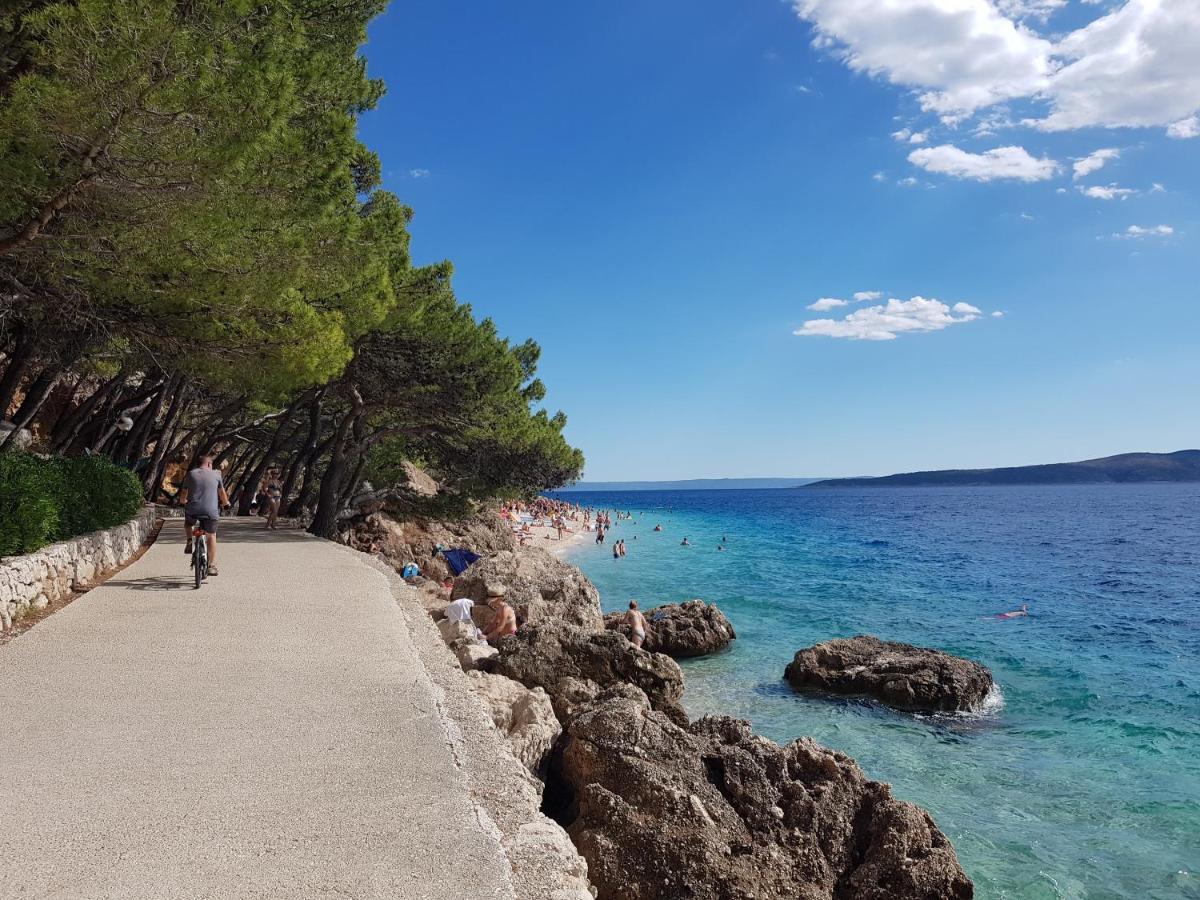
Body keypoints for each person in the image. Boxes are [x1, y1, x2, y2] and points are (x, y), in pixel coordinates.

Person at [178, 454, 229, 576]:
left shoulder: (191, 474)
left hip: (193, 509)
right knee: (211, 535)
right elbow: (222, 493)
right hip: (210, 511)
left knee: (188, 524)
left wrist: (182, 501)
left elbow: (184, 492)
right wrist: (226, 503)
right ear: (209, 464)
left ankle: (190, 540)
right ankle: (211, 566)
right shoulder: (216, 474)